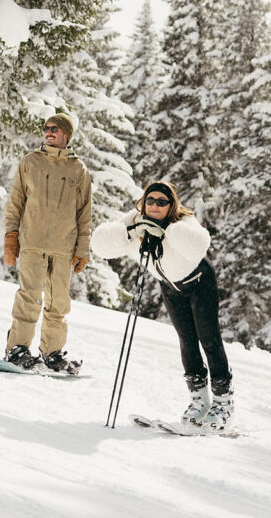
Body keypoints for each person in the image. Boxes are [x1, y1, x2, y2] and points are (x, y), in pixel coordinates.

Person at [91, 180, 234, 431]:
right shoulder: (136, 219)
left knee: (208, 338)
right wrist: (131, 232)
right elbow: (100, 244)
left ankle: (223, 402)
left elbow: (200, 244)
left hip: (199, 281)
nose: (155, 206)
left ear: (171, 206)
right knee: (186, 341)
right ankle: (199, 400)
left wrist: (165, 231)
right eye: (150, 200)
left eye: (162, 202)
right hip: (171, 287)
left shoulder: (182, 220)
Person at [2, 113, 92, 373]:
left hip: (64, 247)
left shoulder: (78, 169)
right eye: (46, 128)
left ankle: (52, 353)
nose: (49, 132)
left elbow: (84, 213)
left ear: (66, 135)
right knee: (29, 297)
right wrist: (11, 235)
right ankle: (17, 349)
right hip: (32, 242)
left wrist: (82, 248)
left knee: (59, 303)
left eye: (55, 129)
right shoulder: (31, 162)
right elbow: (16, 201)